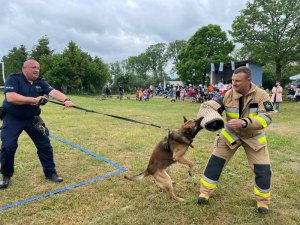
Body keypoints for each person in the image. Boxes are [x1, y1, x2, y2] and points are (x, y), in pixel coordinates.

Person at [197, 66, 274, 214]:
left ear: (249, 80)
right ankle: (204, 192)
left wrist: (245, 123)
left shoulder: (262, 95)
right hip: (230, 135)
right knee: (215, 162)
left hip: (253, 138)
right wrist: (208, 114)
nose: (234, 83)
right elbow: (210, 106)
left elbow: (267, 116)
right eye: (232, 80)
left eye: (238, 81)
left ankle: (263, 201)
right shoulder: (228, 94)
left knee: (263, 170)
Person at [0, 59, 74, 189]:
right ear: (25, 69)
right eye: (33, 67)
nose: (36, 70)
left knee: (44, 144)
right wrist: (35, 99)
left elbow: (53, 92)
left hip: (32, 118)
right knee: (8, 147)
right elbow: (11, 97)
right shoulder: (13, 79)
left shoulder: (40, 82)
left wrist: (66, 99)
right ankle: (6, 175)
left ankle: (50, 173)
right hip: (13, 117)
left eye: (38, 68)